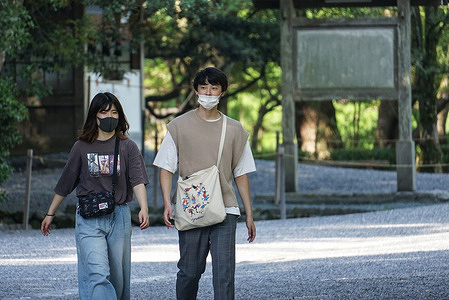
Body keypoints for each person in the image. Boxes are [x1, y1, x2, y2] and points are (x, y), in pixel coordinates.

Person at [153, 67, 256, 300]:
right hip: (191, 209)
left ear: (222, 93)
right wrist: (168, 203)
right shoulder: (178, 126)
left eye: (214, 88)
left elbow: (241, 173)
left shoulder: (235, 129)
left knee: (224, 275)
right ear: (196, 90)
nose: (208, 92)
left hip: (226, 209)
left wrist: (248, 213)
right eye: (203, 87)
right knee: (189, 272)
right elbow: (166, 168)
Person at [41, 92, 150, 300]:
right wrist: (50, 213)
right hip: (88, 218)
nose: (110, 116)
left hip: (118, 217)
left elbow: (137, 179)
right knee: (98, 273)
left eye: (114, 112)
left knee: (117, 278)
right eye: (104, 111)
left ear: (120, 116)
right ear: (95, 115)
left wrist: (143, 207)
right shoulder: (81, 147)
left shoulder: (128, 146)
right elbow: (66, 183)